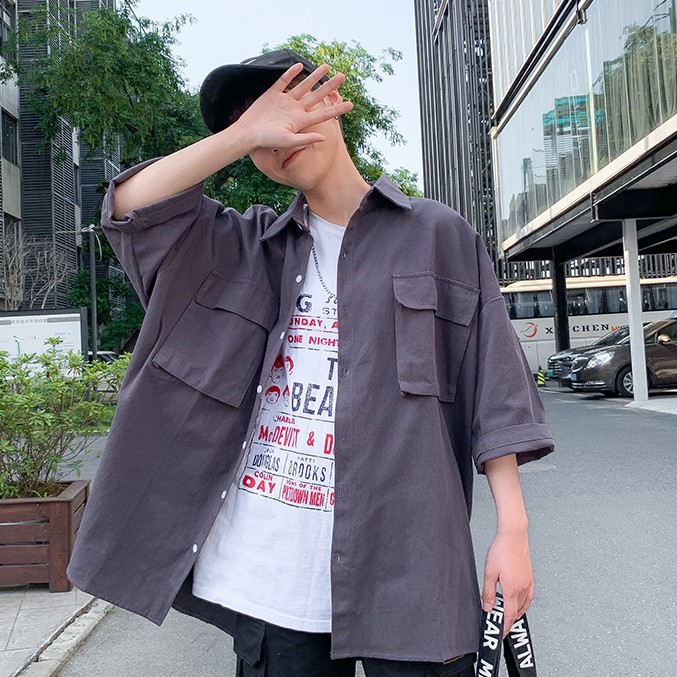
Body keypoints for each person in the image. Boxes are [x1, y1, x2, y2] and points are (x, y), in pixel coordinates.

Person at [67, 49, 555, 677]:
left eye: (290, 106)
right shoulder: (238, 248)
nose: (280, 137)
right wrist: (244, 134)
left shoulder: (438, 235)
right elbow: (129, 208)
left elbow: (496, 391)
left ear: (331, 101)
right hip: (271, 583)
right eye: (259, 130)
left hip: (412, 572)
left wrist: (513, 531)